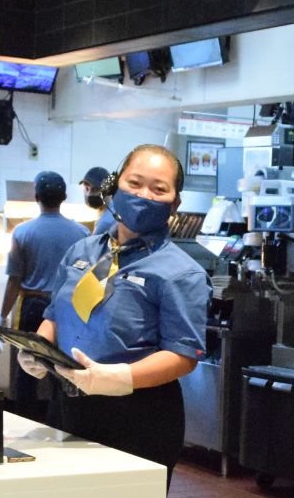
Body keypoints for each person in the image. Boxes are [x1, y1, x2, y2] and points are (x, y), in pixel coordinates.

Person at [19, 144, 208, 475]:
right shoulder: (82, 249)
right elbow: (55, 314)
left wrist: (120, 377)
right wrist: (39, 347)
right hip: (67, 406)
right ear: (114, 185)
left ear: (174, 203)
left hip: (137, 417)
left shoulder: (181, 272)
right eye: (134, 183)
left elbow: (184, 355)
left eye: (159, 189)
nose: (143, 194)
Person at [0, 170, 89, 421]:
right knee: (63, 367)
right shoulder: (81, 233)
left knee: (27, 366)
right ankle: (61, 421)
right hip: (69, 308)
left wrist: (2, 314)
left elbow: (14, 280)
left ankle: (23, 421)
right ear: (64, 196)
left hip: (32, 304)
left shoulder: (22, 232)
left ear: (36, 196)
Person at [78, 165, 113, 234]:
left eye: (95, 189)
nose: (89, 194)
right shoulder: (110, 210)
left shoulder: (105, 222)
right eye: (87, 189)